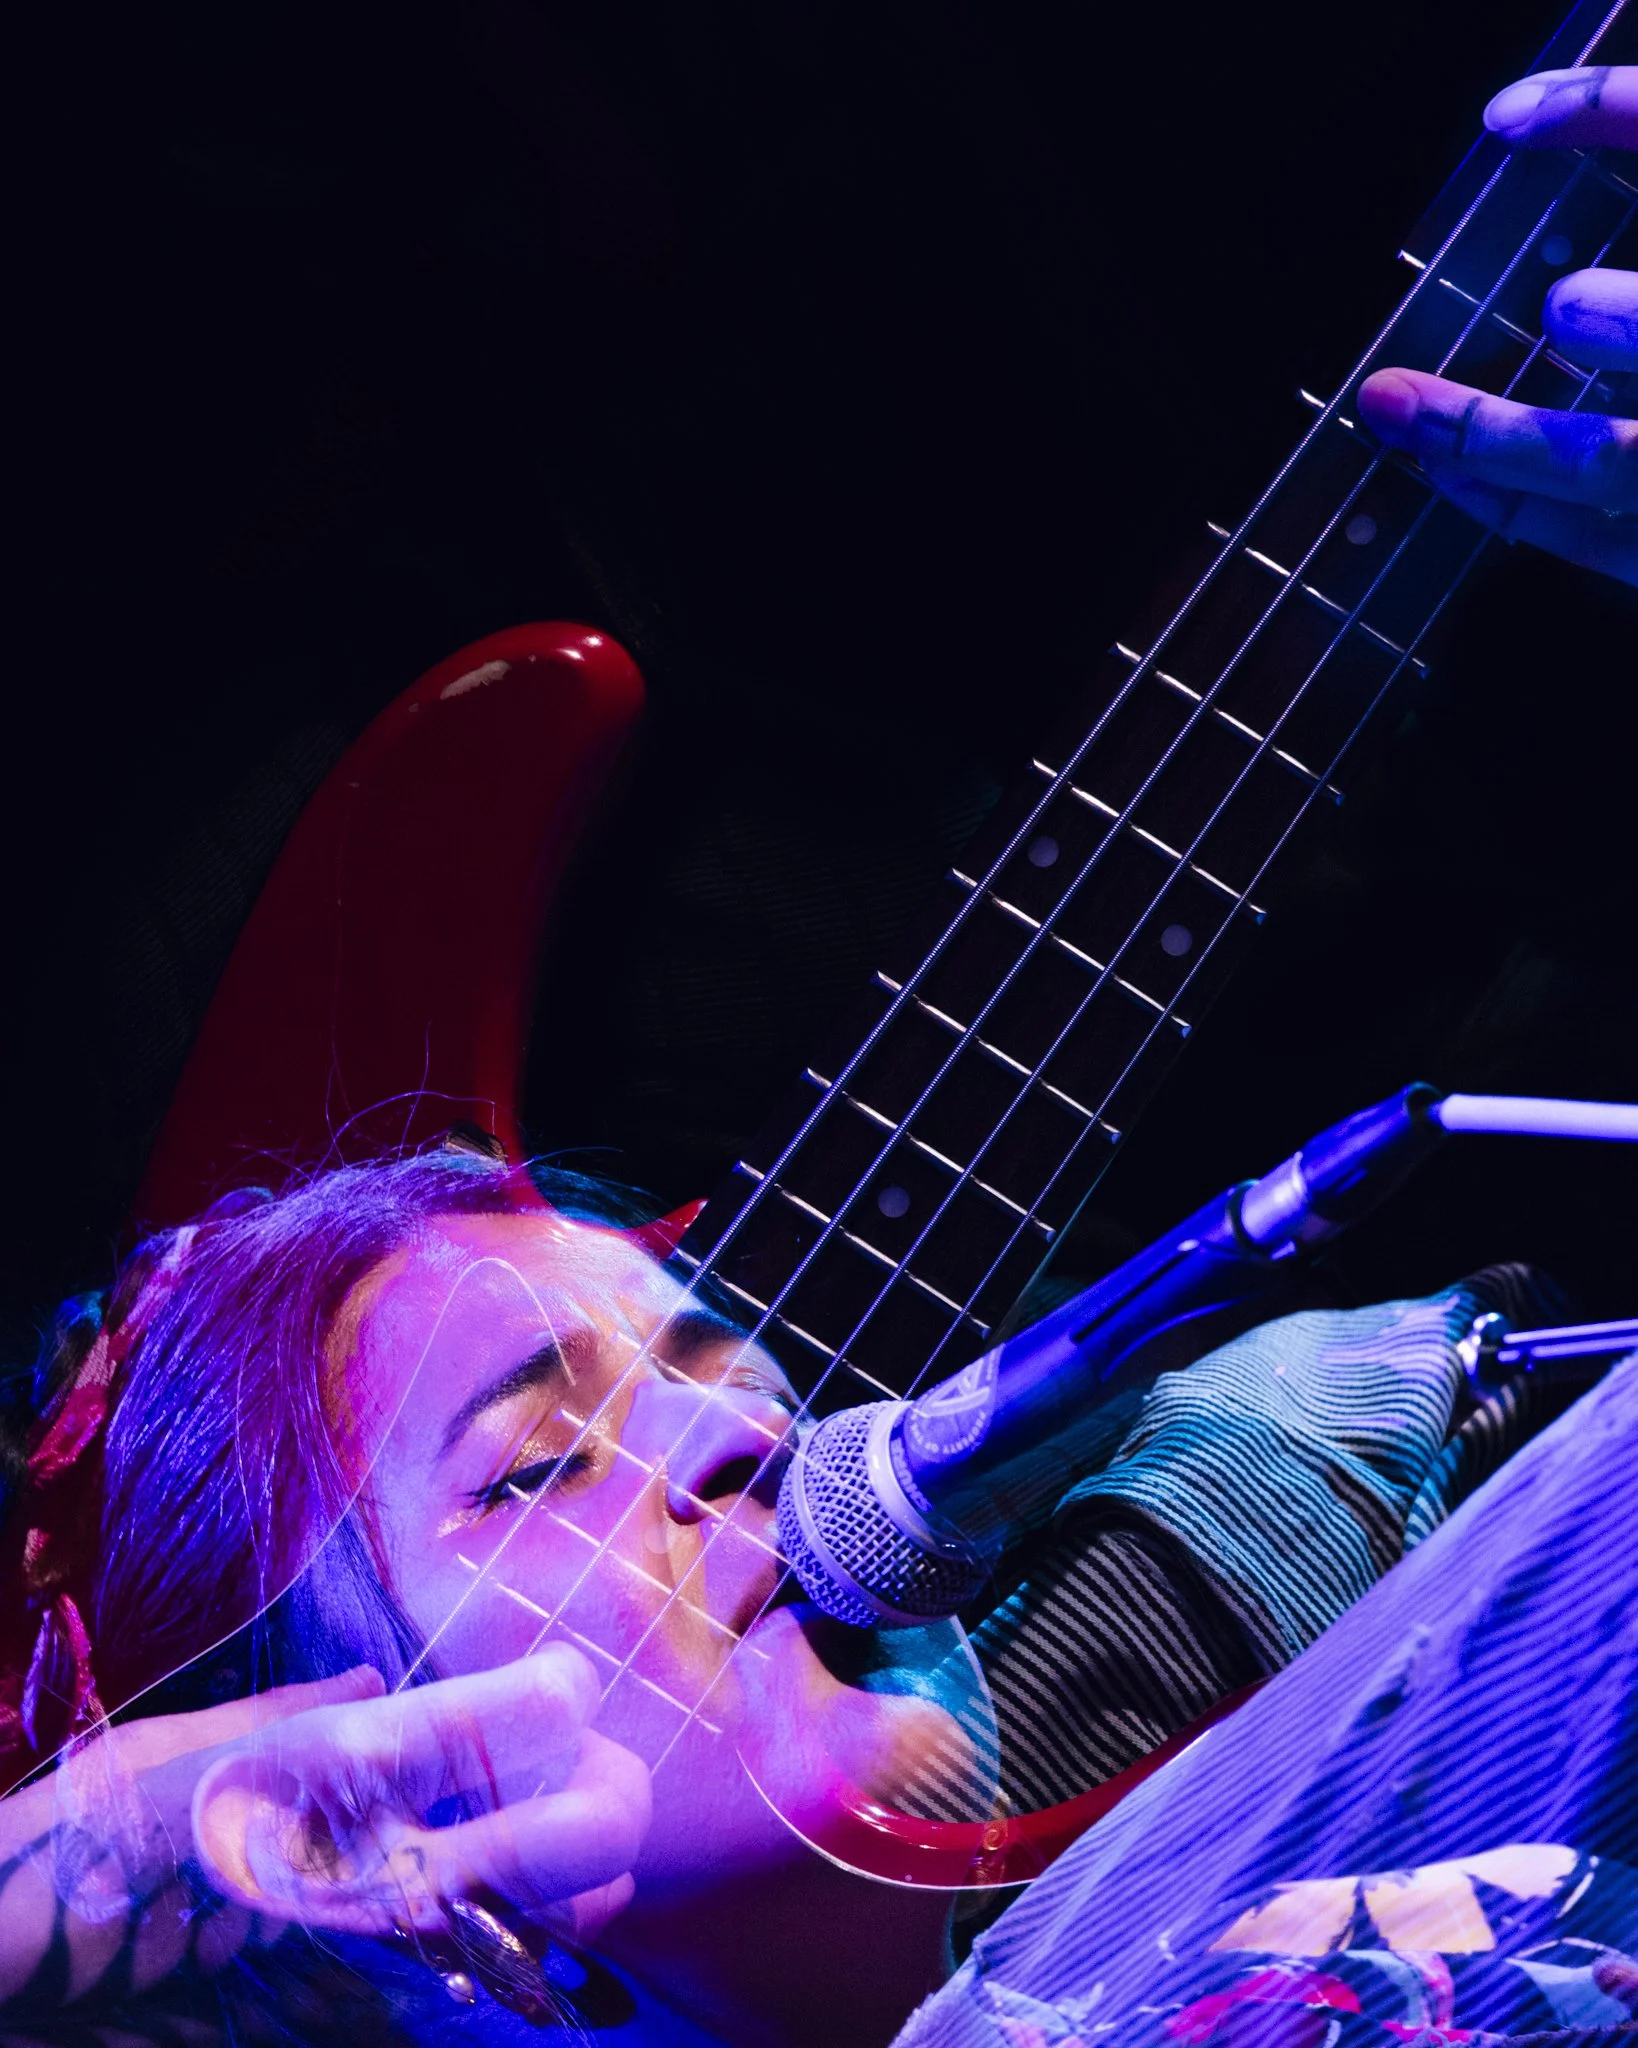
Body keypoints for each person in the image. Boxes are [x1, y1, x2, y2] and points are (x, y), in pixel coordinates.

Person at [1, 57, 1634, 2048]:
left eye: (700, 1352)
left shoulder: (1395, 1629)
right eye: (533, 1469)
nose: (750, 1425)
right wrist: (64, 1871)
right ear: (331, 1793)